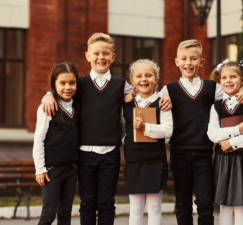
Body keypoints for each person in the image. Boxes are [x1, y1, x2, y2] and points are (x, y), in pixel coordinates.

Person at [41, 33, 172, 225]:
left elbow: (145, 89)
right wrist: (48, 95)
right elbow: (63, 91)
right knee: (87, 203)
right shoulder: (81, 84)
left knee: (106, 203)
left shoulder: (121, 85)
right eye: (96, 53)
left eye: (105, 53)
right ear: (88, 56)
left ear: (113, 57)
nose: (101, 57)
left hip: (110, 153)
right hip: (84, 154)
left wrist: (166, 93)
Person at [125, 39, 243, 225]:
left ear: (201, 62)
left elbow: (233, 91)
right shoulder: (169, 90)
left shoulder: (212, 88)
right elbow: (148, 96)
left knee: (205, 204)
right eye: (184, 58)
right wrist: (134, 94)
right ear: (177, 62)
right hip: (179, 153)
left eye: (193, 58)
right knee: (182, 204)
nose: (188, 63)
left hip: (204, 154)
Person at [207, 58, 243, 225]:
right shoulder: (216, 107)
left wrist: (231, 143)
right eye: (224, 78)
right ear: (219, 81)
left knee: (240, 206)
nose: (228, 81)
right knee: (224, 206)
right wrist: (236, 130)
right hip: (222, 160)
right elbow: (212, 133)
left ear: (242, 80)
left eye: (233, 77)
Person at [122, 59, 173, 225]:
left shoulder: (163, 102)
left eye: (148, 75)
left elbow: (167, 130)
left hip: (155, 161)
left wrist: (146, 128)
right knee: (136, 208)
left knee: (154, 207)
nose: (144, 79)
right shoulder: (126, 103)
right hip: (133, 160)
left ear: (156, 79)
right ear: (132, 80)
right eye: (139, 76)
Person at [33, 62, 80, 225]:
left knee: (65, 213)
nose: (68, 87)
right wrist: (40, 169)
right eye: (62, 83)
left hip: (72, 168)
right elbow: (38, 140)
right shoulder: (47, 107)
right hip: (52, 171)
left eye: (72, 83)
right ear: (54, 84)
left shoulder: (77, 106)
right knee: (48, 214)